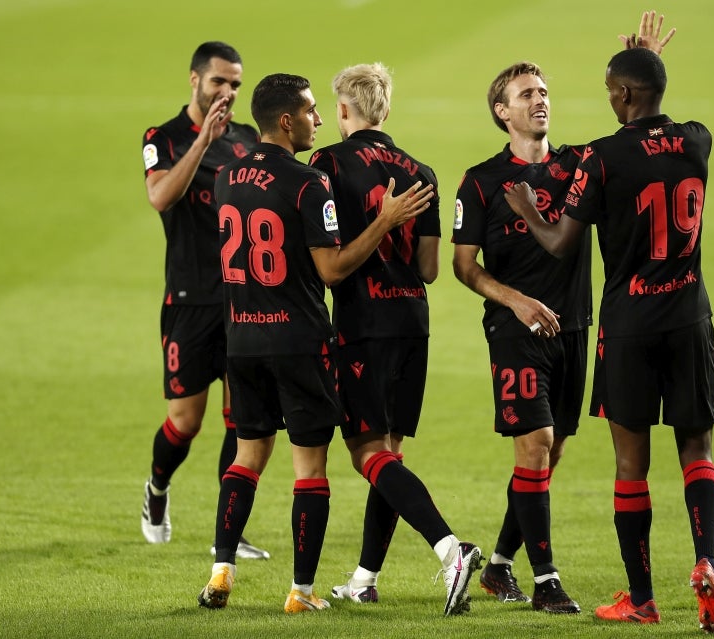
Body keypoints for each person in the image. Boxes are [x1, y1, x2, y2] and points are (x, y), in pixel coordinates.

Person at [451, 12, 673, 614]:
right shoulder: (480, 182)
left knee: (549, 455)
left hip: (576, 328)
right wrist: (517, 301)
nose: (540, 100)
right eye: (526, 94)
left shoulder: (582, 162)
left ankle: (498, 566)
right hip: (515, 330)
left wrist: (644, 71)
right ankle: (546, 579)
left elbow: (640, 140)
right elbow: (464, 267)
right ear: (503, 111)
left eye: (544, 91)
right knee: (537, 443)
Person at [504, 46, 714, 632]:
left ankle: (643, 598)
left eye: (611, 88)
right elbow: (666, 126)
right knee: (697, 451)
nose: (607, 96)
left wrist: (528, 208)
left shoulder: (603, 160)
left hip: (629, 325)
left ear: (624, 95)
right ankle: (706, 560)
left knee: (632, 465)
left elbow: (560, 242)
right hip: (688, 318)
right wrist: (646, 65)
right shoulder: (697, 141)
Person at [196, 72, 437, 614]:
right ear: (286, 120)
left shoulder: (225, 175)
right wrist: (383, 221)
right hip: (299, 340)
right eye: (309, 111)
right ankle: (301, 593)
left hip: (242, 340)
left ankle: (220, 573)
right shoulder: (308, 182)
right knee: (311, 467)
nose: (318, 120)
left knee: (247, 456)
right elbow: (331, 269)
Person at [308, 62, 482, 615]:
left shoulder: (328, 163)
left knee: (365, 453)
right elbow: (429, 269)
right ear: (386, 107)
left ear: (343, 110)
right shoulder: (422, 172)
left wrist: (380, 224)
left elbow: (331, 265)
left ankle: (451, 550)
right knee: (390, 455)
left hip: (364, 325)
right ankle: (364, 577)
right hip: (413, 321)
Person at [140, 40, 268, 560]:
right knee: (185, 422)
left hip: (243, 303)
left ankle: (228, 535)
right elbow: (160, 196)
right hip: (191, 302)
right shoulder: (163, 137)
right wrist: (203, 141)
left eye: (235, 84)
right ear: (195, 80)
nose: (228, 92)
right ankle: (156, 490)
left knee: (241, 423)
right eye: (219, 82)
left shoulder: (245, 139)